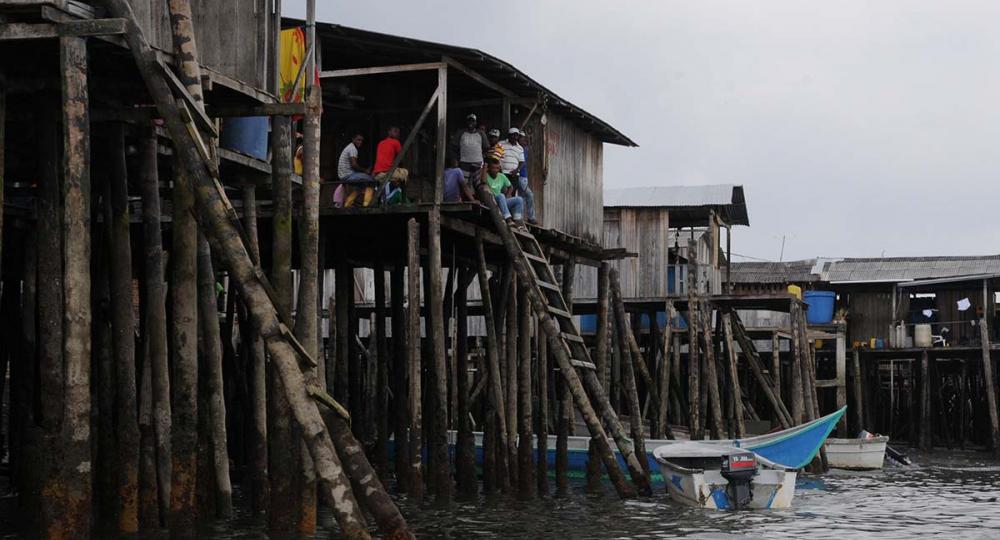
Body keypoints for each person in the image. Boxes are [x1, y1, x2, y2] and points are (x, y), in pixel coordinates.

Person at [498, 127, 535, 223]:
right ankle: (506, 214)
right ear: (509, 135)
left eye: (516, 135)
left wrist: (516, 170)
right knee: (503, 193)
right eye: (513, 135)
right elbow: (497, 156)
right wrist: (500, 169)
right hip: (503, 173)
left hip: (515, 175)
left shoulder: (520, 148)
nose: (515, 137)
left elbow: (522, 162)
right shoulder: (502, 144)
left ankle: (513, 216)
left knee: (513, 195)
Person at [368, 126, 408, 206]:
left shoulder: (380, 143)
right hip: (387, 173)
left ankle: (379, 202)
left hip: (377, 175)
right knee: (405, 172)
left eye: (398, 132)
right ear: (389, 132)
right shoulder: (396, 142)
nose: (397, 134)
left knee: (387, 182)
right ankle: (404, 201)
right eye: (395, 131)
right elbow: (401, 158)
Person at [336, 134, 375, 208]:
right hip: (347, 175)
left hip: (344, 175)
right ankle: (366, 204)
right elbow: (354, 165)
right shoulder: (352, 148)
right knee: (371, 180)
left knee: (361, 186)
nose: (360, 142)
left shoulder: (350, 147)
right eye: (358, 140)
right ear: (353, 139)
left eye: (361, 140)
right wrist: (365, 171)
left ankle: (347, 203)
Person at [482, 157, 524, 224]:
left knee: (519, 199)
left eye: (497, 168)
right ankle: (508, 218)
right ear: (489, 169)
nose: (495, 170)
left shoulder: (502, 176)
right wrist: (485, 167)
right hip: (492, 201)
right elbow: (483, 181)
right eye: (493, 168)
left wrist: (506, 197)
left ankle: (517, 219)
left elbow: (511, 187)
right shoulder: (486, 175)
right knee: (501, 195)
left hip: (501, 202)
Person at [451, 113, 489, 182]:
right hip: (464, 163)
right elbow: (454, 147)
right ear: (467, 122)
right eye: (469, 121)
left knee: (477, 183)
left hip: (478, 163)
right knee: (464, 183)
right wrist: (456, 158)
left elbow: (486, 147)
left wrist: (482, 156)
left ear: (476, 122)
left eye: (473, 121)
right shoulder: (460, 133)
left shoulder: (481, 133)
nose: (471, 123)